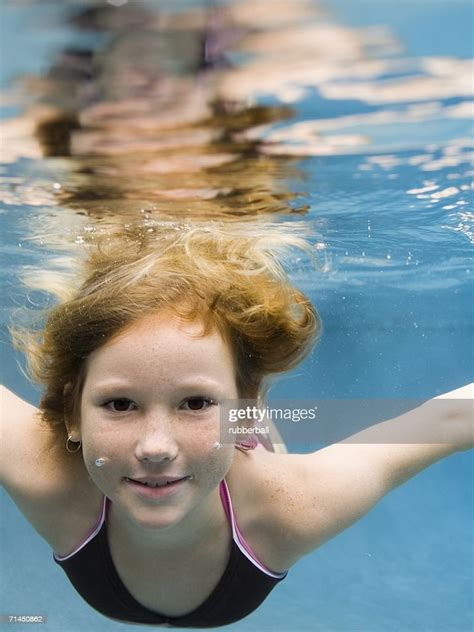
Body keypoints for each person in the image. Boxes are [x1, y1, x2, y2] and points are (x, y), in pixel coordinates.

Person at [1, 222, 472, 628]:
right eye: (120, 404)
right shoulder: (47, 476)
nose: (155, 447)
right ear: (71, 414)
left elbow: (449, 419)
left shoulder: (290, 506)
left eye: (195, 401)